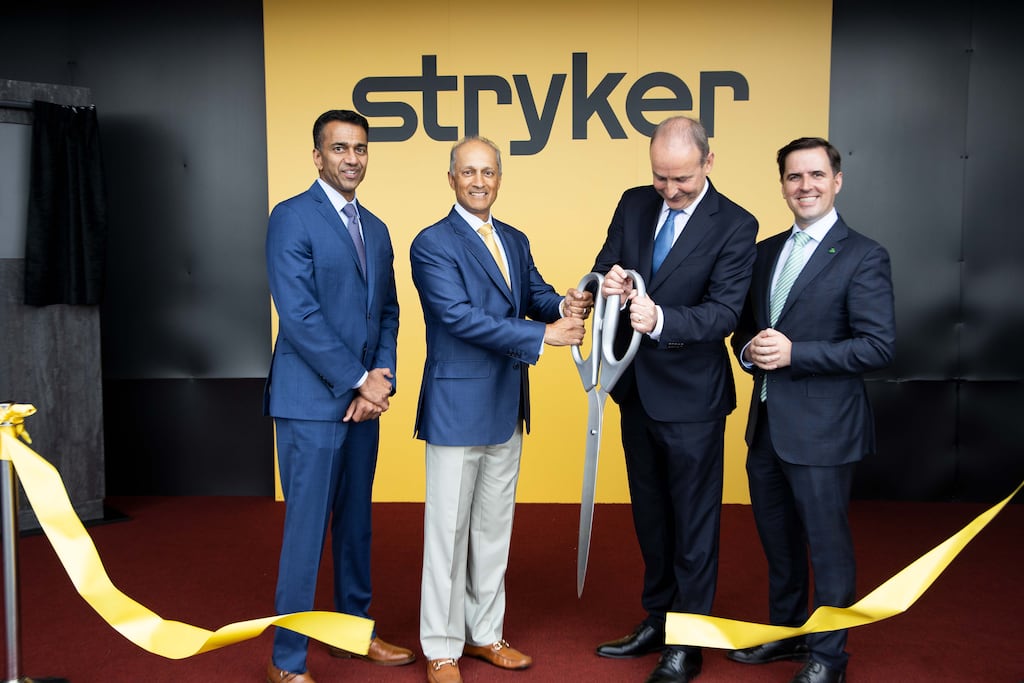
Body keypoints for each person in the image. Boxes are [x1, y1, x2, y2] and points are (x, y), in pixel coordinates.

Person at [410, 136, 592, 683]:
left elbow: (533, 293)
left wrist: (564, 303)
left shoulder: (513, 238)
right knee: (447, 533)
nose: (479, 181)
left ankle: (486, 633)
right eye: (469, 172)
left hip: (506, 405)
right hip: (456, 407)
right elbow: (460, 316)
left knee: (493, 531)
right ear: (452, 179)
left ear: (499, 178)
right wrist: (545, 336)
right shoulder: (431, 244)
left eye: (488, 172)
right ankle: (441, 647)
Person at [591, 116, 758, 683]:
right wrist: (604, 283)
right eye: (661, 177)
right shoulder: (634, 202)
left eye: (681, 178)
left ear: (708, 163)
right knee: (652, 516)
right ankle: (657, 621)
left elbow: (725, 312)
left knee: (693, 522)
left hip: (693, 399)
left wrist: (660, 318)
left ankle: (687, 642)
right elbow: (606, 261)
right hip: (635, 390)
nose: (670, 189)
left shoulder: (736, 224)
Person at [727, 137, 895, 683]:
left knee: (827, 545)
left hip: (825, 431)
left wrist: (798, 354)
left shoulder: (863, 255)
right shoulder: (765, 252)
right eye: (795, 177)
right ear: (782, 184)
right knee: (778, 540)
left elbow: (877, 346)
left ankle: (829, 656)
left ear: (837, 180)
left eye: (816, 175)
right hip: (768, 426)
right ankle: (786, 634)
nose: (806, 186)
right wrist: (749, 351)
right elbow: (747, 331)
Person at [263, 109, 414, 683]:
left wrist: (382, 378)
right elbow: (299, 316)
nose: (352, 158)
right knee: (306, 531)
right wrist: (358, 380)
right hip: (309, 403)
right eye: (340, 148)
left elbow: (389, 312)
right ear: (317, 156)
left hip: (363, 403)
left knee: (356, 524)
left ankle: (355, 632)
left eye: (360, 149)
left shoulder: (375, 228)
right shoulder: (291, 218)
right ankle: (287, 660)